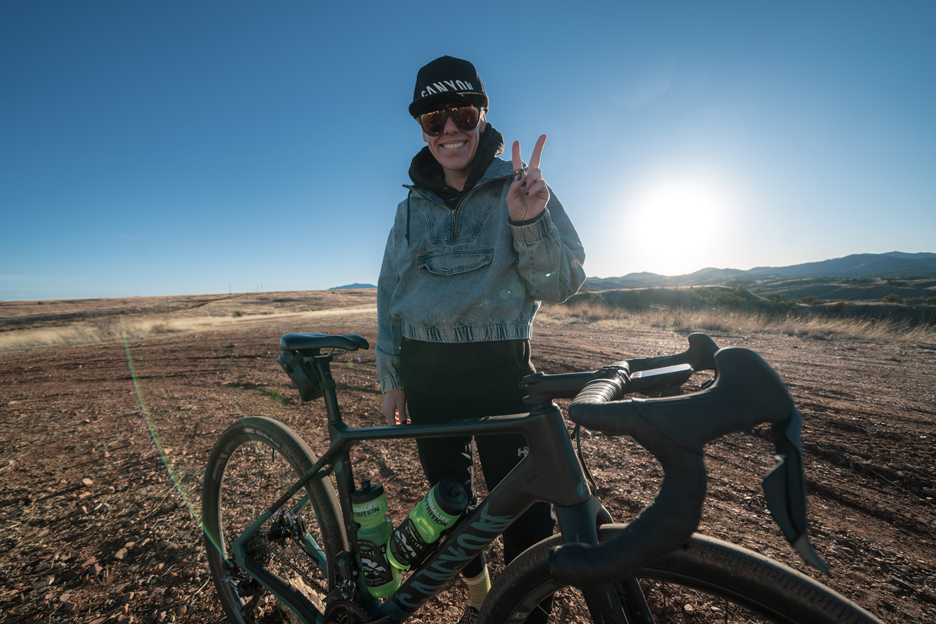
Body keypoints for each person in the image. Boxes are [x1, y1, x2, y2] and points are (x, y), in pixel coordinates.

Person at [376, 55, 586, 623]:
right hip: (427, 377)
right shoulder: (409, 209)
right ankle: (477, 596)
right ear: (421, 128)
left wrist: (527, 222)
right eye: (434, 120)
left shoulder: (522, 188)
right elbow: (390, 293)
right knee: (447, 504)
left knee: (527, 515)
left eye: (463, 115)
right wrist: (393, 377)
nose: (450, 131)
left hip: (501, 372)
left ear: (482, 116)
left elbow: (561, 282)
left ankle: (525, 615)